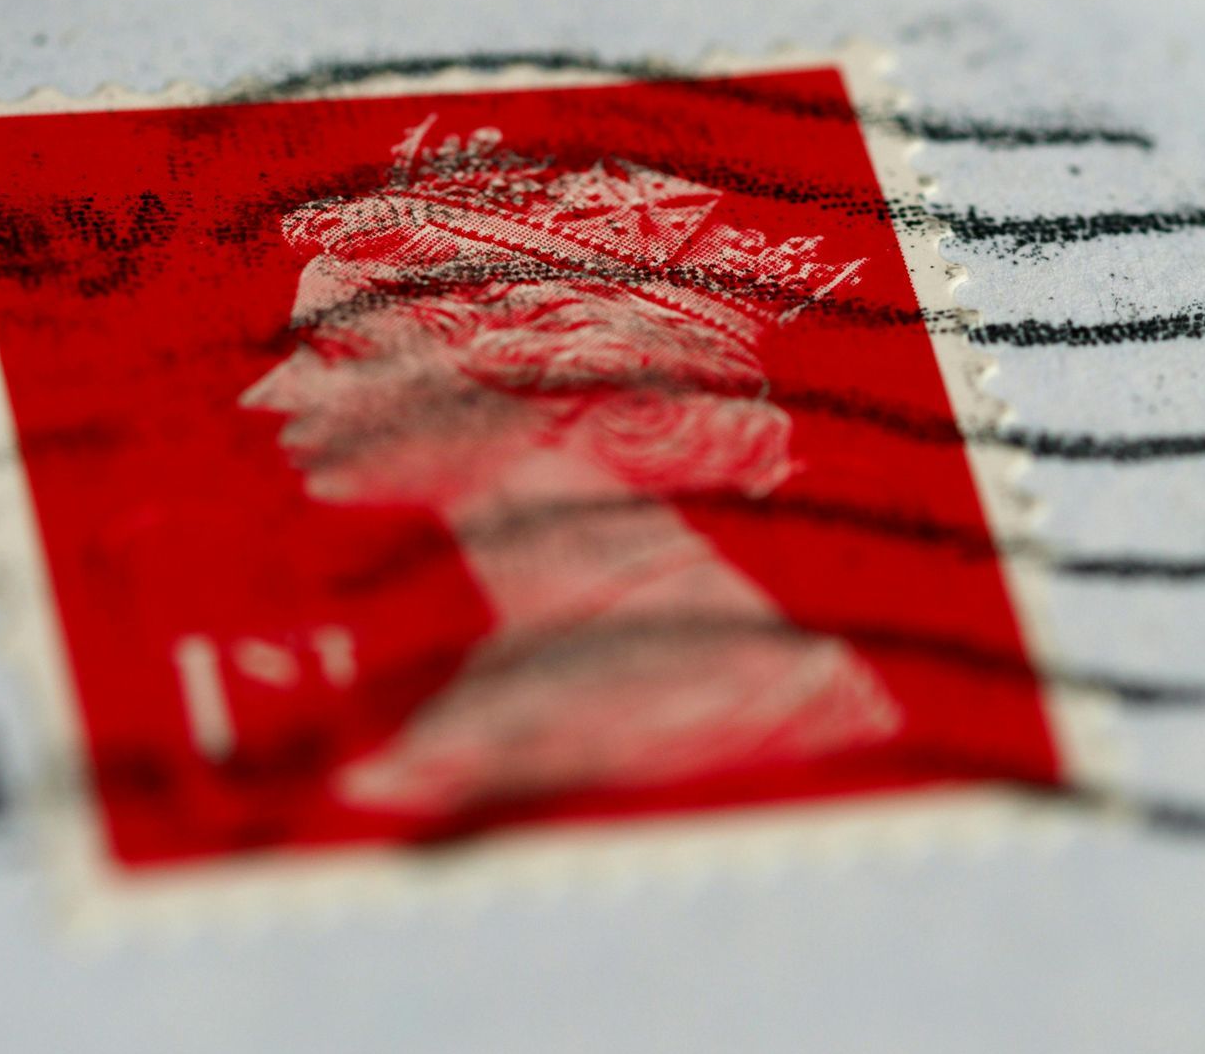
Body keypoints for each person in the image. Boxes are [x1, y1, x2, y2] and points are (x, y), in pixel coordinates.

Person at [242, 117, 900, 817]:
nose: (266, 396)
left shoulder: (700, 684)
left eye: (339, 353)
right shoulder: (534, 650)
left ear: (541, 371)